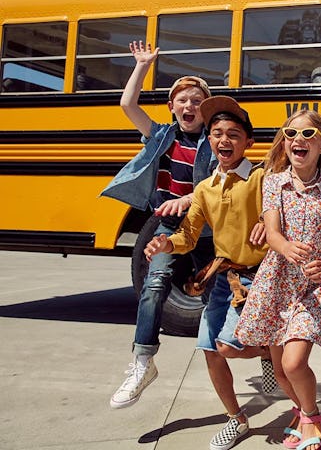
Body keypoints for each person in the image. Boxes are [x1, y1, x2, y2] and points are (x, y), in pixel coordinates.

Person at [144, 95, 271, 450]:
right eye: (217, 133)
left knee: (227, 347)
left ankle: (267, 353)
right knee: (209, 350)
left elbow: (276, 213)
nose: (224, 140)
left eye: (233, 134)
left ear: (248, 142)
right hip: (223, 279)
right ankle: (237, 419)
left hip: (259, 276)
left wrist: (265, 221)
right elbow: (188, 233)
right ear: (209, 140)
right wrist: (167, 244)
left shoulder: (261, 178)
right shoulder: (205, 188)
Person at [105, 40, 217, 409]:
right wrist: (142, 65)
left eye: (197, 101)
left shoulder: (214, 143)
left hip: (208, 231)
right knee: (154, 284)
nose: (189, 106)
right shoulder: (161, 136)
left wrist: (189, 199)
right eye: (182, 100)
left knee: (236, 291)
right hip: (169, 227)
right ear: (172, 107)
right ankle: (142, 362)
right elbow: (126, 105)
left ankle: (264, 351)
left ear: (207, 110)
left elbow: (220, 185)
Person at [234, 109, 321, 450]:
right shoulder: (274, 182)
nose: (298, 140)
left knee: (294, 361)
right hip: (277, 283)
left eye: (307, 135)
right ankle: (301, 412)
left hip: (316, 287)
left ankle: (312, 420)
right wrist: (284, 245)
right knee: (282, 372)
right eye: (290, 134)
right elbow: (271, 232)